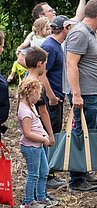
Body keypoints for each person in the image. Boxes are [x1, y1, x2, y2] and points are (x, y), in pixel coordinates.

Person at [65, 0, 97, 192]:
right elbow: (71, 64)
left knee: (93, 133)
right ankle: (76, 180)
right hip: (84, 94)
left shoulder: (88, 33)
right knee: (81, 135)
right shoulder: (80, 33)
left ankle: (84, 171)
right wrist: (76, 94)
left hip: (94, 94)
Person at [41, 15, 77, 190]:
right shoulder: (49, 46)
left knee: (53, 133)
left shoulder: (56, 45)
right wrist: (52, 97)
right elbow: (42, 74)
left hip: (57, 97)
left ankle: (48, 171)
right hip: (51, 99)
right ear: (65, 29)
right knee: (49, 134)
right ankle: (47, 175)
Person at [17, 77, 52, 208]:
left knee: (44, 171)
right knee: (33, 174)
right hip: (31, 147)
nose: (39, 98)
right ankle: (29, 201)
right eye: (39, 94)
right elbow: (27, 133)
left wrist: (45, 134)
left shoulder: (31, 106)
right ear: (33, 92)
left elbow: (37, 124)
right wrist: (43, 139)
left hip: (38, 145)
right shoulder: (25, 112)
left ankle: (41, 198)